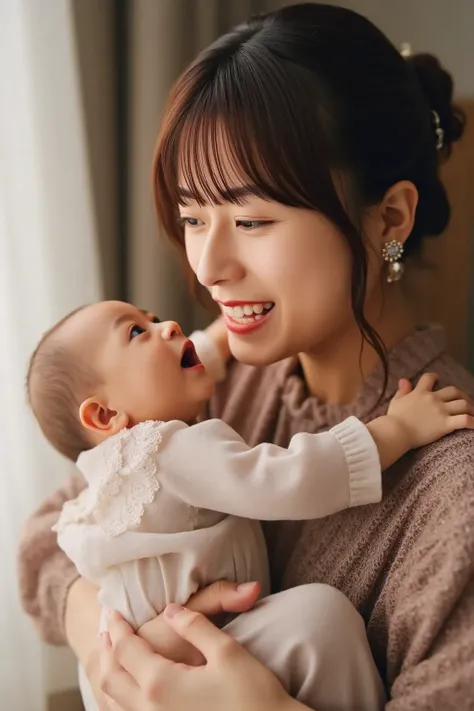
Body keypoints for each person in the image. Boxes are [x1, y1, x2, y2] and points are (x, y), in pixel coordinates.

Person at [17, 3, 474, 710]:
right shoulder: (222, 377)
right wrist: (115, 643)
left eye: (252, 220)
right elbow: (48, 538)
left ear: (388, 219)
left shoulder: (456, 491)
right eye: (194, 216)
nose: (206, 267)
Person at [27, 299, 469, 710]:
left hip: (123, 675)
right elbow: (285, 478)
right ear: (105, 416)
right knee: (320, 621)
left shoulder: (113, 466)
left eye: (154, 318)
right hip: (178, 671)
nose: (170, 326)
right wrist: (396, 431)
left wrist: (218, 339)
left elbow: (179, 365)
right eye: (137, 333)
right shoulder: (170, 448)